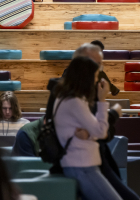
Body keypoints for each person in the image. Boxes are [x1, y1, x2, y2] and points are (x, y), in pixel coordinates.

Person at [53, 56, 123, 200]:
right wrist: (102, 100)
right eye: (96, 76)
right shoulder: (74, 101)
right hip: (82, 166)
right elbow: (101, 131)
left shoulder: (65, 98)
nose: (97, 81)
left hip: (81, 164)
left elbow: (93, 131)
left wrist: (89, 134)